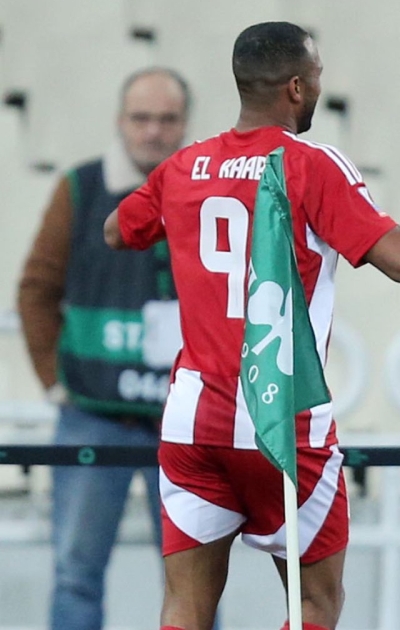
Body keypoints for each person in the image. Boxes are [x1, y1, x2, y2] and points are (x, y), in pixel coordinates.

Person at [103, 21, 400, 630]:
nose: (318, 89)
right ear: (294, 87)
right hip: (280, 419)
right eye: (315, 78)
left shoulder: (185, 165)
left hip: (194, 418)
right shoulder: (310, 165)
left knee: (184, 606)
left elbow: (116, 230)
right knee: (314, 605)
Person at [17, 67, 189, 630]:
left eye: (166, 119)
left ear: (184, 123)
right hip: (92, 415)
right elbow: (36, 289)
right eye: (141, 118)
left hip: (186, 420)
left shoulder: (210, 190)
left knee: (196, 582)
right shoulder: (80, 188)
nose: (153, 131)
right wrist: (55, 381)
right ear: (120, 121)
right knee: (76, 574)